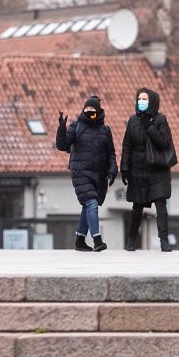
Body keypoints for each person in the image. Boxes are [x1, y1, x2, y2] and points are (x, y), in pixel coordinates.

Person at [56, 95, 118, 252]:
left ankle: (80, 240)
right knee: (91, 203)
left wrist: (112, 170)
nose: (89, 111)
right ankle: (97, 240)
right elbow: (62, 146)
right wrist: (62, 128)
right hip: (80, 172)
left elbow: (111, 153)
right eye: (87, 109)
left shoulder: (105, 130)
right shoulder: (76, 126)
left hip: (99, 175)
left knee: (88, 205)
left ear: (98, 111)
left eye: (92, 109)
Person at [120, 88, 176, 251]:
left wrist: (149, 126)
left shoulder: (161, 119)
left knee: (160, 203)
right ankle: (131, 241)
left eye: (145, 99)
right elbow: (127, 145)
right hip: (137, 168)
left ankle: (164, 241)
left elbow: (164, 143)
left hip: (157, 169)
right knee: (137, 206)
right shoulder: (132, 120)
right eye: (139, 98)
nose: (141, 101)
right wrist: (124, 168)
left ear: (152, 101)